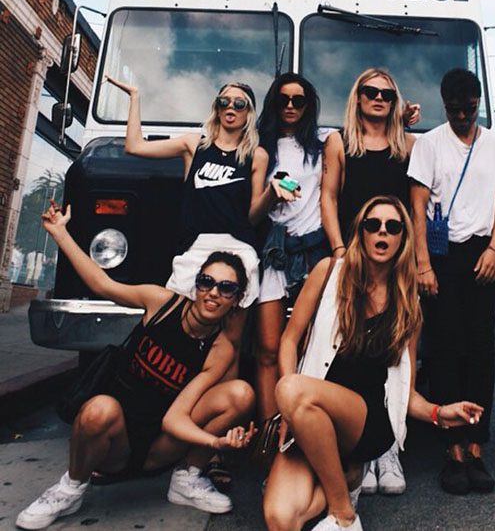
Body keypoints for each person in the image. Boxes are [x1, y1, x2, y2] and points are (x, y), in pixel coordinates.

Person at [16, 201, 256, 530]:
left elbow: (175, 419)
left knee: (241, 393)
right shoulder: (161, 303)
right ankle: (70, 488)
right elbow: (103, 285)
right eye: (206, 281)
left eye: (225, 288)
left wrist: (216, 444)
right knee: (99, 409)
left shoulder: (220, 349)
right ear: (196, 284)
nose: (213, 293)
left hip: (159, 447)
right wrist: (60, 233)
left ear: (236, 298)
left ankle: (186, 480)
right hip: (115, 441)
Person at [263, 195, 484, 531]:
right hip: (309, 411)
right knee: (281, 519)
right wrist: (287, 411)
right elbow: (289, 340)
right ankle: (346, 480)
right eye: (373, 225)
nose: (382, 233)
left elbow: (405, 392)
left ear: (402, 238)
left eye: (392, 227)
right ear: (362, 232)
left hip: (366, 422)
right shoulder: (328, 273)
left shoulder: (408, 305)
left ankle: (343, 514)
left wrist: (439, 413)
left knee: (293, 389)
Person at [105, 76, 296, 372]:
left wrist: (272, 192)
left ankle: (224, 405)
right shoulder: (194, 145)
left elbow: (252, 216)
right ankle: (168, 393)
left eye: (239, 103)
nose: (230, 107)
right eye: (224, 101)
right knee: (172, 326)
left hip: (238, 249)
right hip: (195, 247)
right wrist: (134, 97)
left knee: (230, 340)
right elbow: (134, 147)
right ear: (216, 108)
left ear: (248, 113)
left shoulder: (256, 155)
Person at [408, 68, 495, 495]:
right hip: (441, 254)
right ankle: (451, 449)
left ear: (478, 105)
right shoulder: (430, 144)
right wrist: (423, 264)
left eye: (468, 110)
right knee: (445, 349)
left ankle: (476, 446)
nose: (461, 117)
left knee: (480, 350)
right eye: (454, 110)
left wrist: (494, 250)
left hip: (482, 252)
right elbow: (417, 206)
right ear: (444, 105)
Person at [320, 68, 418, 495]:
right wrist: (340, 251)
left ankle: (388, 446)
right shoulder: (339, 142)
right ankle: (359, 444)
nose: (377, 98)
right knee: (350, 348)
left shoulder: (409, 145)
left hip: (397, 261)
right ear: (357, 98)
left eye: (386, 93)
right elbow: (328, 196)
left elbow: (417, 204)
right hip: (353, 261)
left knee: (401, 348)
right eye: (370, 91)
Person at [255, 73, 329, 420]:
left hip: (313, 251)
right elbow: (253, 212)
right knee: (268, 349)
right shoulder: (258, 147)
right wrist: (273, 191)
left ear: (308, 106)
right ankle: (271, 437)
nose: (289, 106)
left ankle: (301, 427)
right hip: (274, 252)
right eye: (283, 99)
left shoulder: (324, 145)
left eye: (297, 100)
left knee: (309, 346)